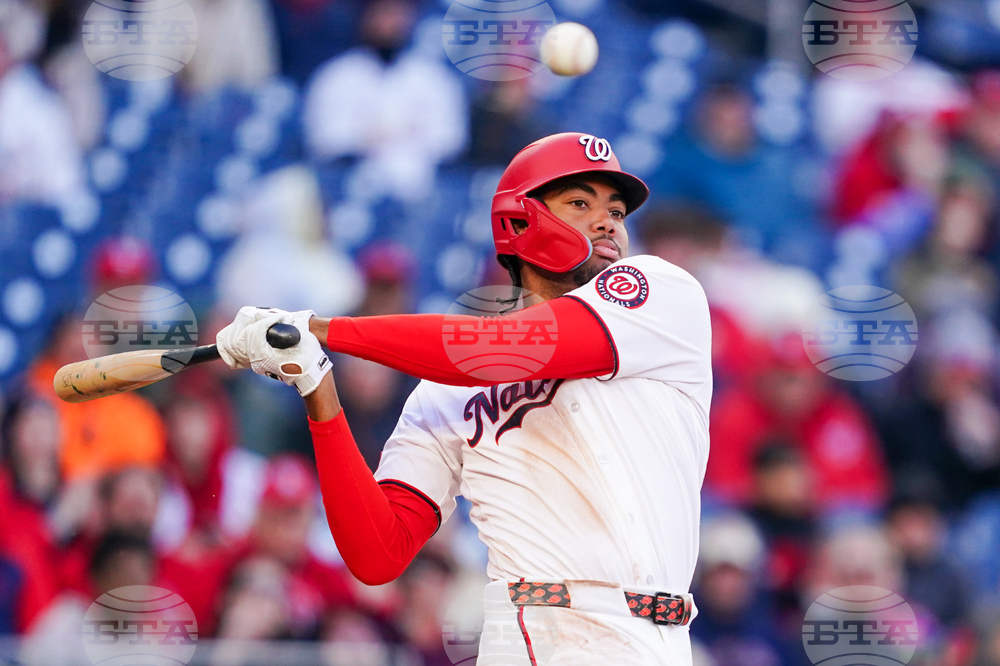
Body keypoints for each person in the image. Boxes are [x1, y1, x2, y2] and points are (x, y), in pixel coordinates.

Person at [216, 133, 713, 664]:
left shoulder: (661, 294)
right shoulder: (442, 389)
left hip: (661, 639)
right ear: (520, 222)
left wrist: (319, 328)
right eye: (579, 203)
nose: (608, 221)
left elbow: (500, 351)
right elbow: (377, 553)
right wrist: (317, 385)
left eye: (615, 209)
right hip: (532, 636)